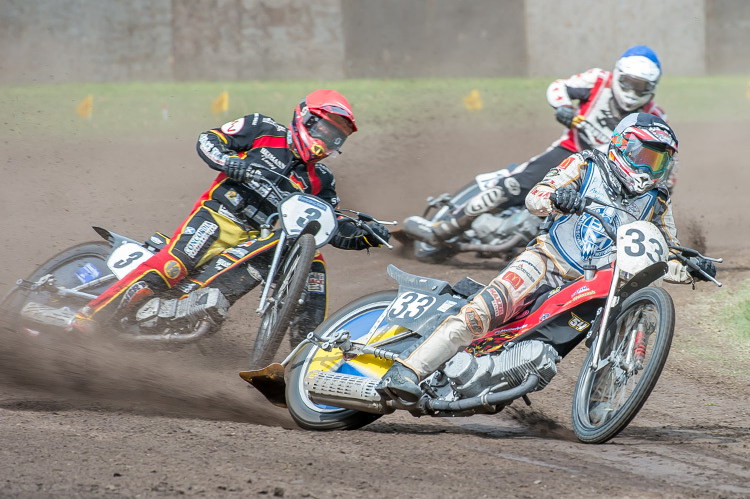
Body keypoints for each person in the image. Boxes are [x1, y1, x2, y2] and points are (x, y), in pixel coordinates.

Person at [380, 113, 716, 402]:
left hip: (595, 282)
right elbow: (535, 197)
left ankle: (601, 398)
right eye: (643, 154)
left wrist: (692, 268)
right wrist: (558, 198)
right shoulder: (586, 164)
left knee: (617, 314)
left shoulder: (657, 200)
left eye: (658, 160)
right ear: (621, 145)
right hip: (545, 261)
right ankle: (407, 370)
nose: (648, 167)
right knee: (482, 312)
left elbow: (664, 252)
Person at [71, 89, 391, 339]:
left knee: (313, 263)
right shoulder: (262, 128)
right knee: (172, 266)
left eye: (336, 137)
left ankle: (302, 358)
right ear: (305, 118)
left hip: (259, 238)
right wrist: (228, 162)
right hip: (218, 217)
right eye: (324, 129)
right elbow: (209, 139)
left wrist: (365, 235)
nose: (327, 141)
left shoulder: (321, 180)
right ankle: (89, 314)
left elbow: (328, 227)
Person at [403, 45, 674, 247]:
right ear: (618, 76)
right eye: (629, 83)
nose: (633, 92)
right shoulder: (598, 81)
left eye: (642, 87)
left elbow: (666, 159)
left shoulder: (656, 116)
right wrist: (564, 108)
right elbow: (558, 87)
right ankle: (442, 230)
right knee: (511, 186)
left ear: (652, 87)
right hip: (570, 151)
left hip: (610, 174)